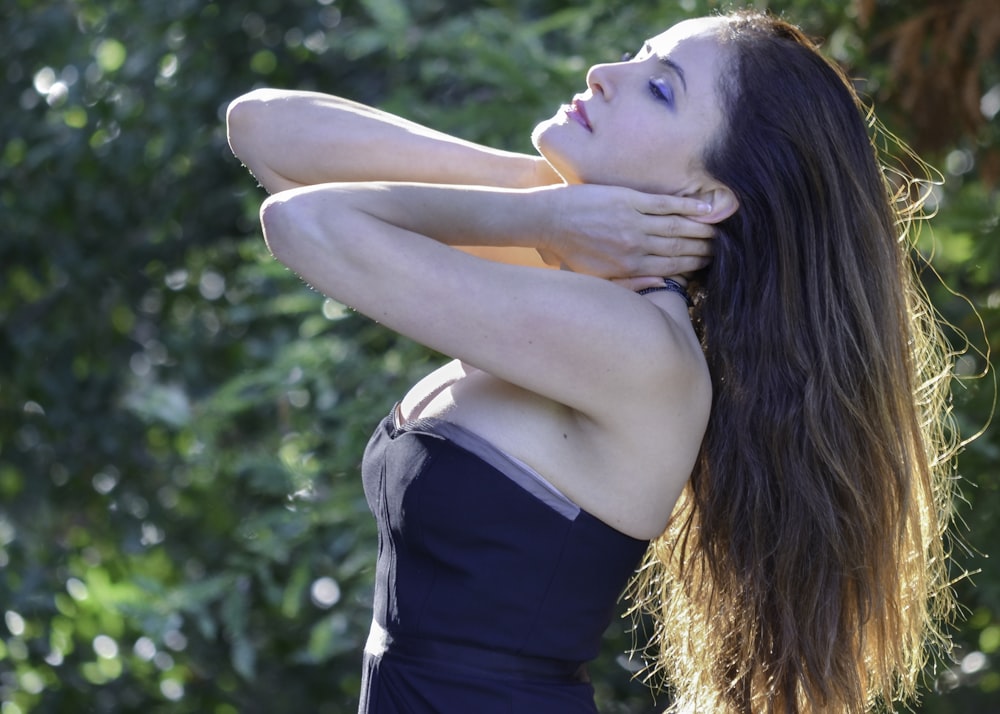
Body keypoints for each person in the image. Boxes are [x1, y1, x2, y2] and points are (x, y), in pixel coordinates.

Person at [226, 9, 957, 714]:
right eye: (638, 54)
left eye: (659, 87)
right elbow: (262, 127)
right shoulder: (582, 276)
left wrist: (539, 215)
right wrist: (559, 203)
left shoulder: (637, 345)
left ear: (705, 195)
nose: (606, 73)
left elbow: (301, 222)